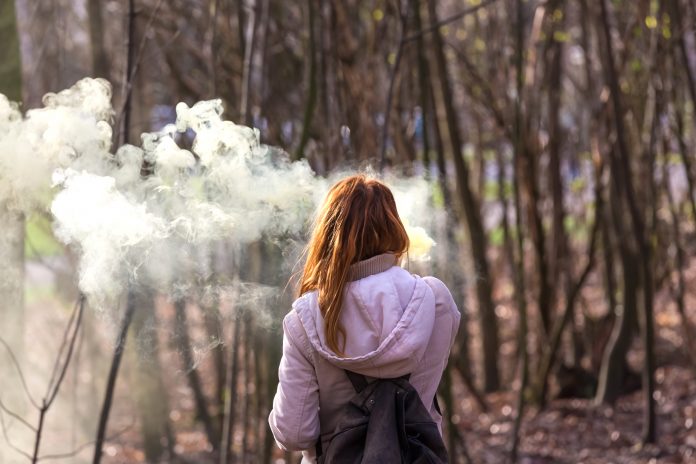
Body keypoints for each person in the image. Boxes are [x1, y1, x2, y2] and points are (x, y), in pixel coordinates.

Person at [268, 174, 461, 463]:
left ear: (328, 236)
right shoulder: (436, 300)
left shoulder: (306, 318)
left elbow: (294, 434)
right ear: (394, 226)